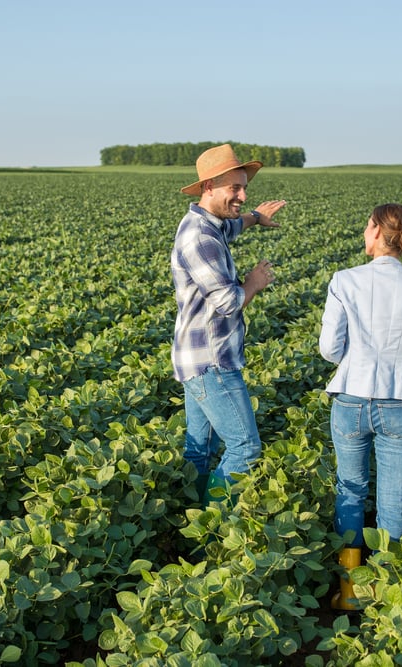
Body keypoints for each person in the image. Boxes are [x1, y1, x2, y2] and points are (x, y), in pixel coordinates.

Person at [319, 203, 402, 610]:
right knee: (394, 500)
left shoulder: (344, 280)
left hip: (351, 397)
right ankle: (386, 595)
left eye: (366, 226)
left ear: (375, 231)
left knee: (350, 491)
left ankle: (349, 592)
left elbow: (329, 349)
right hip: (401, 401)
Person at [170, 144, 287, 507]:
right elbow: (228, 303)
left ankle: (186, 521)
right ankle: (213, 522)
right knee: (245, 448)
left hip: (196, 358)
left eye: (244, 188)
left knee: (200, 449)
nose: (242, 196)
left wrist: (255, 217)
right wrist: (253, 282)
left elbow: (233, 226)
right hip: (212, 362)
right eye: (234, 188)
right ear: (208, 187)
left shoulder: (208, 224)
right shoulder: (201, 238)